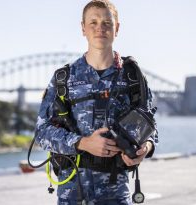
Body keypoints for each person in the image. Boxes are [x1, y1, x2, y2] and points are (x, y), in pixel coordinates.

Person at [35, 0, 158, 204]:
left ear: (116, 28)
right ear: (83, 28)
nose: (100, 28)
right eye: (93, 22)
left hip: (116, 194)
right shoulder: (64, 78)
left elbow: (151, 128)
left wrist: (146, 147)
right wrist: (83, 143)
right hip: (72, 194)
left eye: (107, 23)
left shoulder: (132, 77)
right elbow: (41, 133)